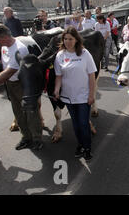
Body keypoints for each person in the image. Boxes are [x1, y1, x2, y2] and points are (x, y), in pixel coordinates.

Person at [0, 24, 43, 150]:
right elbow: (5, 65)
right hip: (11, 84)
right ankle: (26, 137)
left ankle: (37, 139)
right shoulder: (4, 47)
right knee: (18, 112)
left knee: (30, 112)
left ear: (5, 36)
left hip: (23, 84)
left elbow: (9, 72)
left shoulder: (20, 49)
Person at [54, 27, 97, 161]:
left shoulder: (84, 54)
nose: (67, 41)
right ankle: (80, 145)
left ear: (76, 40)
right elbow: (59, 76)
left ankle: (87, 148)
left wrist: (91, 95)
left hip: (83, 96)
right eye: (65, 39)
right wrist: (56, 90)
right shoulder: (60, 55)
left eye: (70, 39)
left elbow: (91, 75)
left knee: (84, 123)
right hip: (68, 97)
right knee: (76, 124)